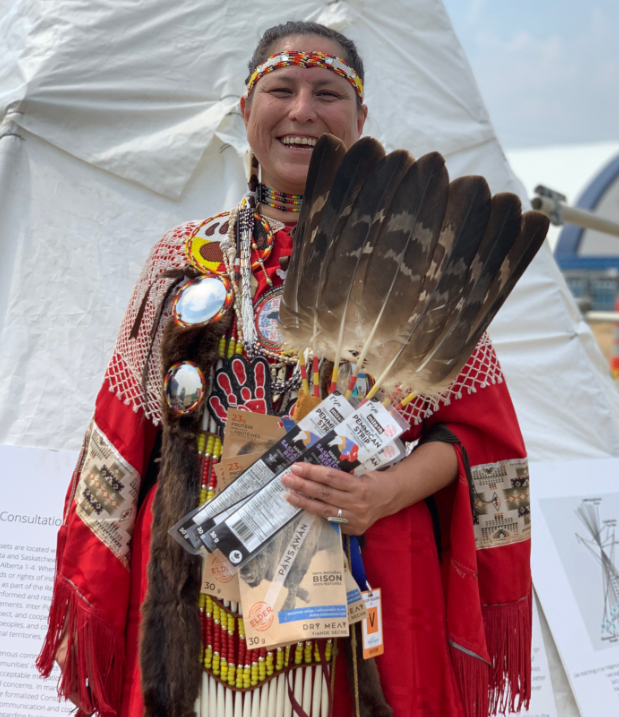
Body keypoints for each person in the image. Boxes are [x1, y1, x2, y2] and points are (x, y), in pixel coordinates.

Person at [38, 21, 532, 717]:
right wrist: (87, 596)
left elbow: (481, 444)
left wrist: (380, 494)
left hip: (362, 583)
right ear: (246, 113)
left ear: (360, 120)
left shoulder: (413, 263)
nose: (302, 110)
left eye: (328, 92)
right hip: (194, 599)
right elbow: (121, 438)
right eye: (280, 88)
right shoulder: (183, 257)